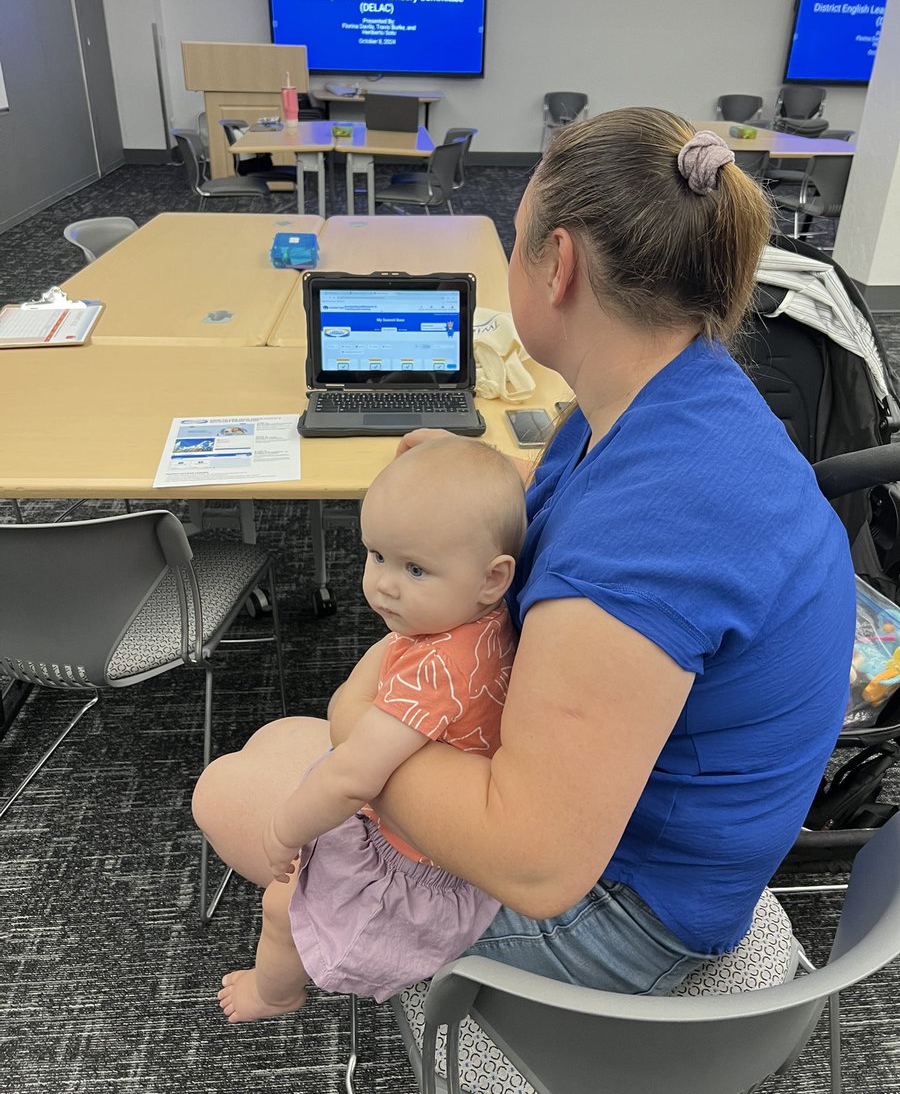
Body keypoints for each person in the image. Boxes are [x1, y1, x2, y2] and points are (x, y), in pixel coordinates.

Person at [195, 108, 856, 1006]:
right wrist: (474, 473)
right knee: (279, 746)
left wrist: (359, 720)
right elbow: (582, 494)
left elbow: (537, 866)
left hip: (626, 908)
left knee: (230, 789)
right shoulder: (664, 390)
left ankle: (313, 964)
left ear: (559, 264)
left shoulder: (641, 551)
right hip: (656, 833)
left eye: (515, 240)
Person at [217, 436, 525, 1021]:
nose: (383, 583)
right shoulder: (488, 616)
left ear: (492, 577)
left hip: (408, 870)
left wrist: (284, 828)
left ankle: (275, 993)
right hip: (437, 834)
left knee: (281, 908)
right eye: (376, 555)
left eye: (415, 568)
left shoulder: (436, 668)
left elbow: (352, 776)